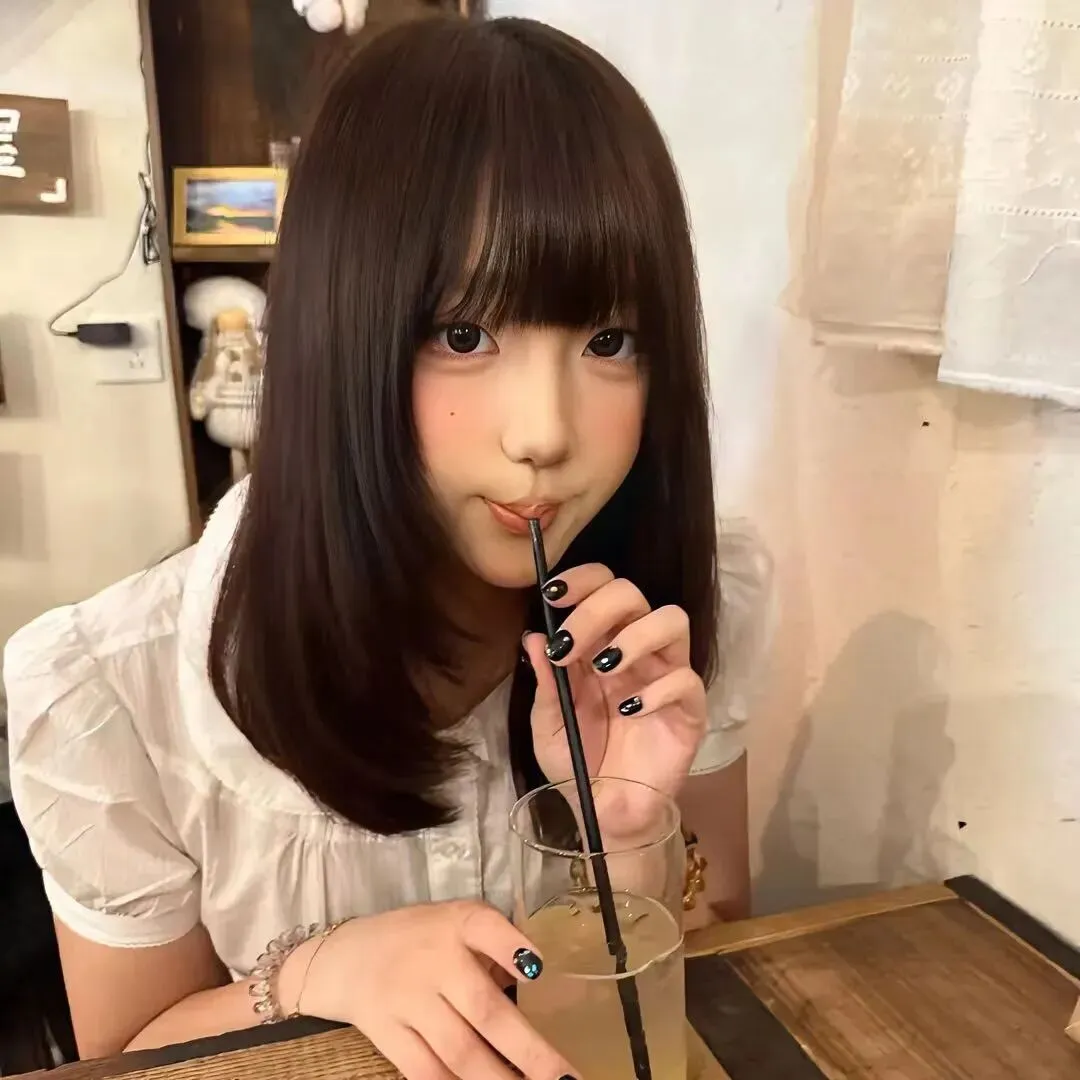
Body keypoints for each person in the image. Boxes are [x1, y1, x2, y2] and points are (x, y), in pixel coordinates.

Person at [3, 15, 768, 1080]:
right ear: (338, 330)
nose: (544, 433)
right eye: (464, 335)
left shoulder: (670, 609)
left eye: (609, 340)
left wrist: (625, 837)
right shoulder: (112, 695)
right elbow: (126, 1058)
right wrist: (315, 975)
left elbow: (725, 953)